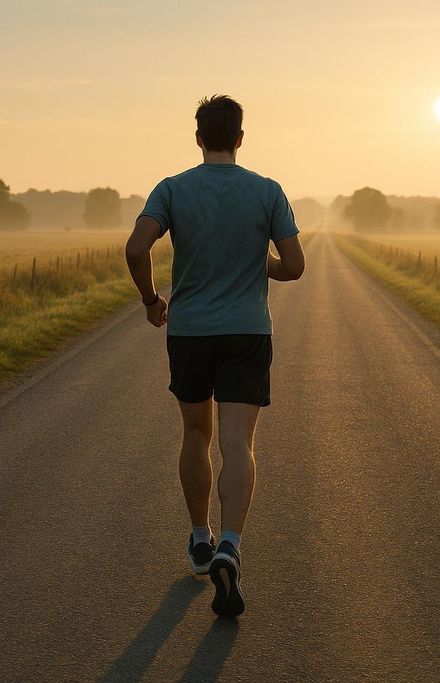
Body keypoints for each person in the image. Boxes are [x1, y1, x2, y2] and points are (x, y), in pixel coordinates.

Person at [124, 94, 305, 618]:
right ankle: (230, 543)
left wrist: (151, 300)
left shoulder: (173, 189)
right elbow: (293, 267)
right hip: (247, 332)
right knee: (238, 441)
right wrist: (257, 260)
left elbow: (136, 249)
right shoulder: (267, 191)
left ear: (199, 138)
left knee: (196, 435)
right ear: (241, 138)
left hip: (191, 332)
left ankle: (199, 538)